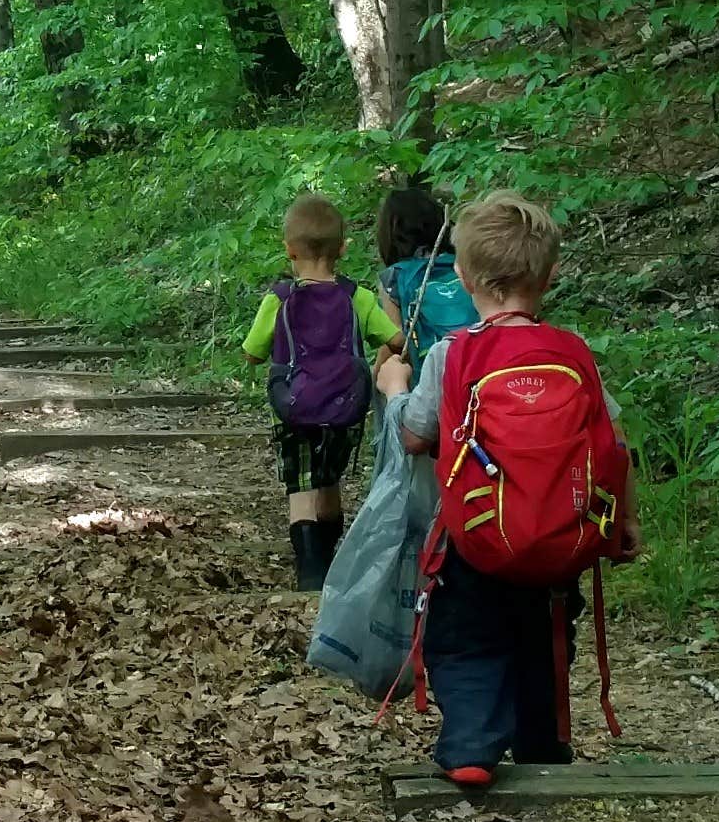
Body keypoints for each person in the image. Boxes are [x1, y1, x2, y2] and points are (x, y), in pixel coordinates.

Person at [373, 189, 634, 790]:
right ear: (551, 274)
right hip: (559, 535)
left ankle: (470, 745)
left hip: (475, 535)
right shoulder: (572, 352)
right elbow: (614, 445)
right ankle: (541, 743)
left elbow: (416, 435)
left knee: (464, 639)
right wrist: (624, 522)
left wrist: (392, 390)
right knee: (545, 638)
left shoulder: (453, 353)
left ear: (462, 275)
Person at [244, 191, 390, 593]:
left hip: (293, 408)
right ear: (343, 249)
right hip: (345, 409)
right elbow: (394, 339)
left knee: (301, 486)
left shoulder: (280, 298)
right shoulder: (356, 297)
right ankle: (330, 564)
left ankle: (310, 576)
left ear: (289, 250)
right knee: (330, 482)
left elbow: (252, 353)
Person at [375, 174, 477, 366]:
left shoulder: (394, 278)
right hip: (479, 365)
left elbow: (396, 343)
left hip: (432, 378)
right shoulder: (465, 264)